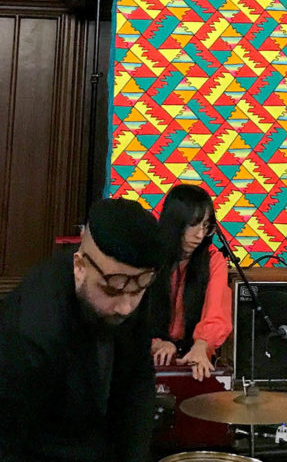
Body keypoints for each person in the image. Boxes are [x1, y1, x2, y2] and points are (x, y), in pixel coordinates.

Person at [0, 196, 162, 462]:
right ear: (80, 266)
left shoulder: (130, 290)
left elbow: (138, 384)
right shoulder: (32, 324)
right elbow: (7, 438)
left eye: (138, 291)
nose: (126, 307)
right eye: (111, 290)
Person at [150, 183, 232, 381]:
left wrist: (202, 345)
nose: (200, 235)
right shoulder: (149, 256)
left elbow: (217, 313)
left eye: (205, 226)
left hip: (194, 356)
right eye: (193, 225)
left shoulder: (213, 260)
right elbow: (131, 317)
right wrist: (155, 344)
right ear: (175, 222)